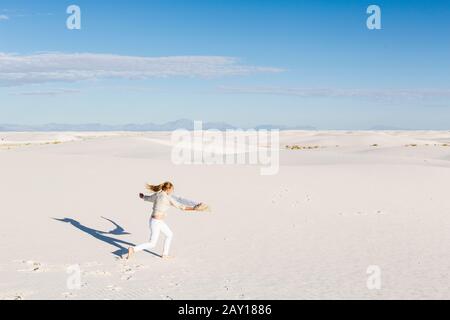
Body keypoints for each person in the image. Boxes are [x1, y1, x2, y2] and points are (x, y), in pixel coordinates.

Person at [126, 181, 201, 260]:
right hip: (156, 223)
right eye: (172, 189)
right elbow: (181, 207)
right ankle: (133, 249)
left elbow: (148, 198)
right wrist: (194, 208)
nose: (172, 191)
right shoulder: (167, 198)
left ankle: (165, 255)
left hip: (155, 221)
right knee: (152, 243)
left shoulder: (157, 194)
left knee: (169, 234)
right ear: (168, 189)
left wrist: (143, 197)